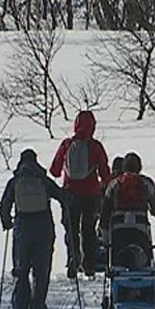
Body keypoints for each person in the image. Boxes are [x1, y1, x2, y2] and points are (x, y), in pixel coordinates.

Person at [0, 149, 72, 309]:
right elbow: (61, 196)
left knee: (21, 270)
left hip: (22, 228)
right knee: (41, 272)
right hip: (43, 227)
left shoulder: (15, 181)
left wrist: (7, 222)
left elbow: (4, 204)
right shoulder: (43, 180)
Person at [50, 110, 111, 279]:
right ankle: (89, 265)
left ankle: (73, 260)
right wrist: (104, 184)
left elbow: (54, 170)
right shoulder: (95, 146)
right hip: (91, 195)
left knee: (71, 229)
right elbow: (105, 172)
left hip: (69, 194)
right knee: (89, 230)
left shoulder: (67, 144)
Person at [99, 152, 155, 269]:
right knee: (143, 260)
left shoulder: (114, 184)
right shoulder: (146, 183)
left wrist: (105, 240)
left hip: (118, 231)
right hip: (140, 230)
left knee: (117, 260)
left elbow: (104, 215)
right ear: (139, 167)